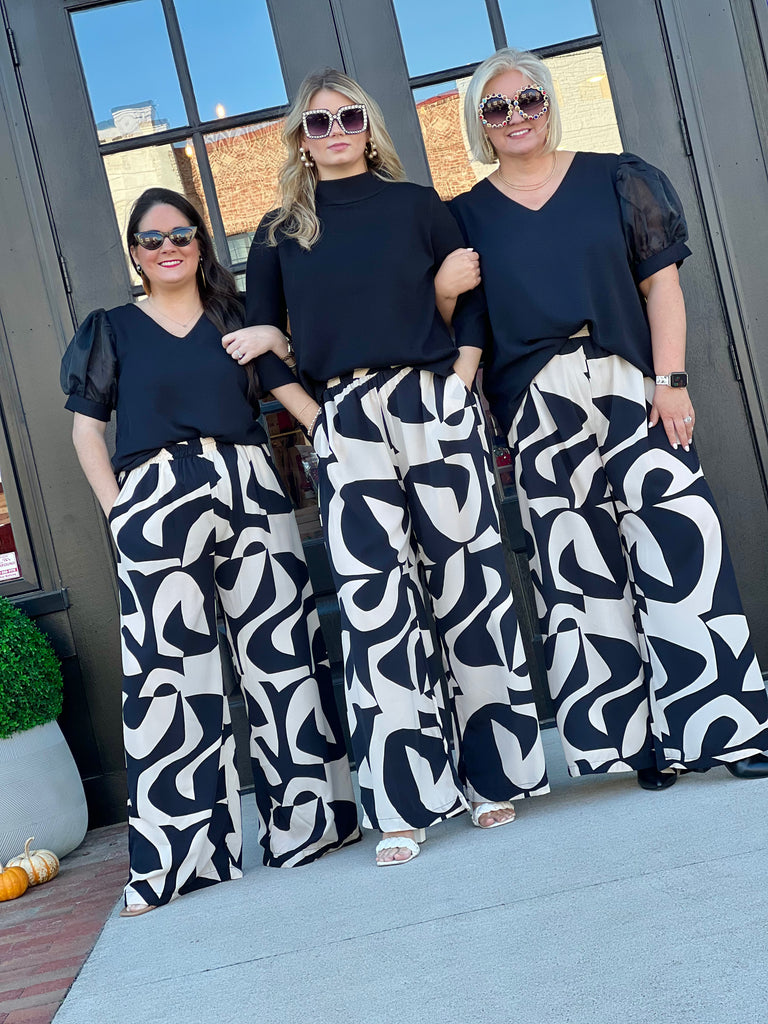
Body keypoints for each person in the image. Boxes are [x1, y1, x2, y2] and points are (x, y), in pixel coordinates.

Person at [224, 68, 549, 866]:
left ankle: (494, 777)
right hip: (345, 417)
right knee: (378, 610)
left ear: (369, 128)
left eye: (348, 119)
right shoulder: (279, 232)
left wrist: (459, 386)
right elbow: (261, 346)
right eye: (318, 123)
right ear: (300, 140)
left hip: (434, 399)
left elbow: (472, 304)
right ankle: (406, 801)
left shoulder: (416, 205)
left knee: (469, 588)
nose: (335, 132)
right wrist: (317, 422)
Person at [445, 47, 768, 790]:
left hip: (631, 383)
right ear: (480, 124)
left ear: (549, 103)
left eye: (529, 99)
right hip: (537, 404)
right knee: (580, 574)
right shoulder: (464, 217)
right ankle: (637, 744)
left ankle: (725, 728)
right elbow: (466, 325)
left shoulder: (617, 178)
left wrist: (671, 380)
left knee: (681, 545)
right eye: (497, 107)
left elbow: (662, 288)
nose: (516, 116)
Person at [60, 187, 360, 916]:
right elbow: (85, 430)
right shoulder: (110, 329)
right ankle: (181, 861)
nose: (168, 247)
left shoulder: (235, 317)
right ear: (136, 254)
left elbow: (290, 373)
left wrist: (279, 344)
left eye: (182, 234)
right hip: (156, 493)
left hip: (249, 481)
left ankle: (309, 828)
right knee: (170, 680)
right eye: (152, 238)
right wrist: (120, 512)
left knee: (282, 657)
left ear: (200, 243)